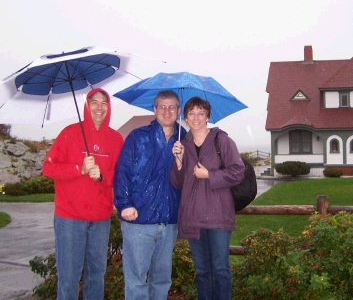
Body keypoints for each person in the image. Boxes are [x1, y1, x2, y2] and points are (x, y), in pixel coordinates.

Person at [42, 88, 124, 300]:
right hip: (69, 218)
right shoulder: (69, 133)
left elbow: (122, 176)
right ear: (86, 106)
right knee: (68, 277)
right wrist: (79, 169)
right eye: (94, 102)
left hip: (100, 219)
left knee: (96, 275)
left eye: (103, 102)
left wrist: (102, 176)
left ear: (109, 107)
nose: (99, 107)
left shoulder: (115, 139)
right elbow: (48, 168)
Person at [114, 90, 186, 300]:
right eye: (162, 106)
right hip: (139, 219)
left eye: (172, 106)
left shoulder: (184, 140)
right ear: (154, 110)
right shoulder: (138, 137)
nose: (167, 111)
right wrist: (124, 204)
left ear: (178, 110)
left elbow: (188, 181)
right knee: (136, 279)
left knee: (162, 279)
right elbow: (123, 172)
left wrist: (181, 160)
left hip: (169, 220)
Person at [171, 97, 245, 300]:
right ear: (185, 117)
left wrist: (210, 175)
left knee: (220, 269)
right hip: (193, 217)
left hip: (218, 216)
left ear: (207, 116)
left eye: (201, 113)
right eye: (191, 113)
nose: (196, 117)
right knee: (202, 271)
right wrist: (178, 161)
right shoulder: (182, 144)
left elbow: (238, 172)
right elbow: (178, 183)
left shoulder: (222, 141)